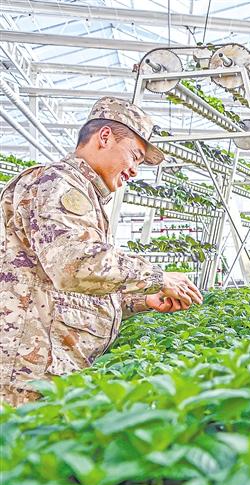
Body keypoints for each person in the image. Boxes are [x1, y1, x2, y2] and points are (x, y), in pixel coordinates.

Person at [0, 96, 203, 407]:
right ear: (105, 136)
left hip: (46, 371)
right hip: (25, 375)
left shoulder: (83, 193)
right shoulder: (57, 182)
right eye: (135, 156)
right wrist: (157, 277)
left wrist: (141, 300)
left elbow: (68, 290)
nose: (134, 171)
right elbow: (74, 264)